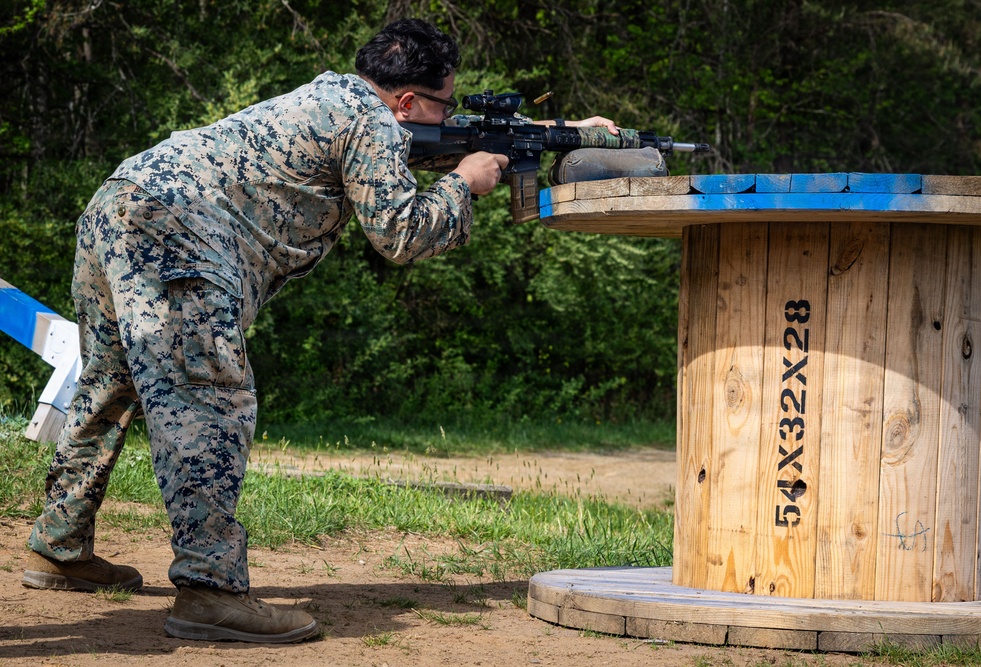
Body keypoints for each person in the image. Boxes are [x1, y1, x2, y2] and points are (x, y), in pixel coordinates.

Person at [20, 18, 616, 644]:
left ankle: (60, 545)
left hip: (119, 204)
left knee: (110, 384)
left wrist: (563, 132)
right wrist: (463, 184)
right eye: (445, 102)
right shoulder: (374, 124)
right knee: (209, 404)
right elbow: (403, 235)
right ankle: (208, 591)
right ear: (406, 101)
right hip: (178, 234)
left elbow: (426, 147)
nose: (451, 112)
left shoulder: (337, 96)